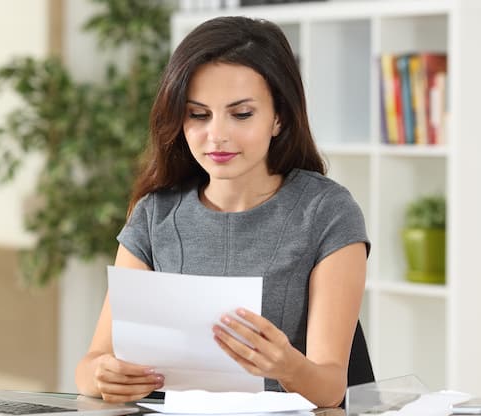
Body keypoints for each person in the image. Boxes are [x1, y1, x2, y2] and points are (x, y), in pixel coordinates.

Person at [74, 16, 373, 408]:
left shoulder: (327, 212)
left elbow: (331, 386)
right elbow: (91, 364)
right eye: (199, 115)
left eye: (242, 114)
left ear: (279, 116)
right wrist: (103, 375)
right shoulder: (154, 215)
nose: (217, 135)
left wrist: (288, 367)